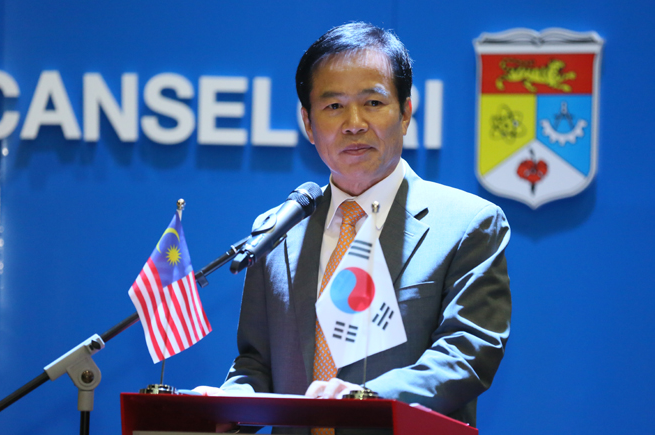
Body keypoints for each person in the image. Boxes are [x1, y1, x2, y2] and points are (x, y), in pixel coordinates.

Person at [195, 22, 511, 432]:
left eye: (373, 103)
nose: (354, 123)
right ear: (308, 124)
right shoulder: (276, 231)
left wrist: (363, 401)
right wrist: (229, 403)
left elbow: (466, 355)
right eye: (333, 106)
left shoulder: (468, 224)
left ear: (406, 113)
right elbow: (257, 363)